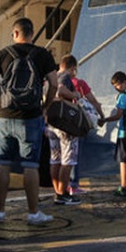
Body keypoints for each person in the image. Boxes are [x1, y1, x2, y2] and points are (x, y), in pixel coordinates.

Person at [0, 17, 57, 225]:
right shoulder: (42, 54)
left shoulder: (3, 53)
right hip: (31, 117)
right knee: (30, 166)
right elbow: (53, 84)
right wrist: (45, 107)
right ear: (31, 33)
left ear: (15, 33)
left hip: (5, 116)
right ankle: (34, 214)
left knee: (3, 163)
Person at [45, 54, 82, 206]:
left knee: (55, 159)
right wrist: (75, 94)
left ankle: (57, 190)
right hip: (65, 124)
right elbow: (60, 90)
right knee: (68, 160)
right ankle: (62, 193)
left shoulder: (50, 77)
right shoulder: (65, 77)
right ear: (72, 68)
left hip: (51, 123)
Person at [101, 72, 126, 196]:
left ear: (124, 83)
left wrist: (105, 120)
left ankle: (123, 186)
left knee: (123, 160)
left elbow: (118, 115)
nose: (116, 88)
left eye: (118, 85)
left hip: (125, 132)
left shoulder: (123, 96)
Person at [68, 59, 104, 195]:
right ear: (73, 69)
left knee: (61, 156)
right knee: (75, 155)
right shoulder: (79, 83)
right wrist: (101, 116)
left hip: (61, 123)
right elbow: (93, 101)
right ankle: (73, 185)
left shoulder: (56, 82)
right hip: (78, 123)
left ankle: (62, 186)